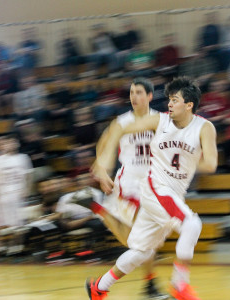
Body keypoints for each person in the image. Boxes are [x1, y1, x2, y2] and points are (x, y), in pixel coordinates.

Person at [88, 77, 218, 299]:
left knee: (142, 251)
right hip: (153, 188)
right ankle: (179, 284)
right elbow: (119, 130)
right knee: (192, 224)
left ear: (189, 104)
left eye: (174, 100)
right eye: (168, 99)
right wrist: (103, 163)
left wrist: (190, 158)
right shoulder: (159, 121)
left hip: (172, 193)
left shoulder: (205, 127)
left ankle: (99, 286)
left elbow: (211, 164)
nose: (169, 103)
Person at [72, 78, 167, 299]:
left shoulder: (161, 121)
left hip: (153, 183)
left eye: (139, 92)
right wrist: (102, 171)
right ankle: (146, 285)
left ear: (150, 96)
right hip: (131, 182)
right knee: (142, 241)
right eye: (132, 92)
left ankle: (98, 208)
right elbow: (103, 145)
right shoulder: (122, 122)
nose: (134, 97)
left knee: (143, 243)